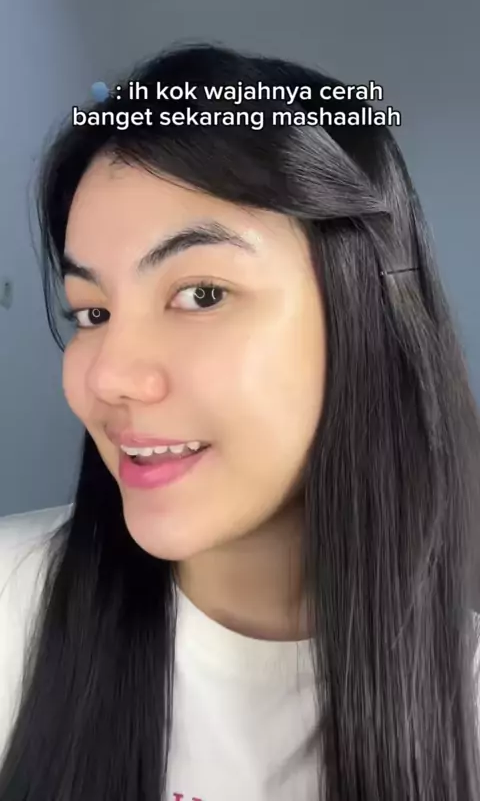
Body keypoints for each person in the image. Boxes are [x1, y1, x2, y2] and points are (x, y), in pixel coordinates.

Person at [1, 42, 480, 801]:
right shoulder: (11, 605)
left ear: (365, 316)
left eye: (201, 294)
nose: (107, 376)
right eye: (91, 312)